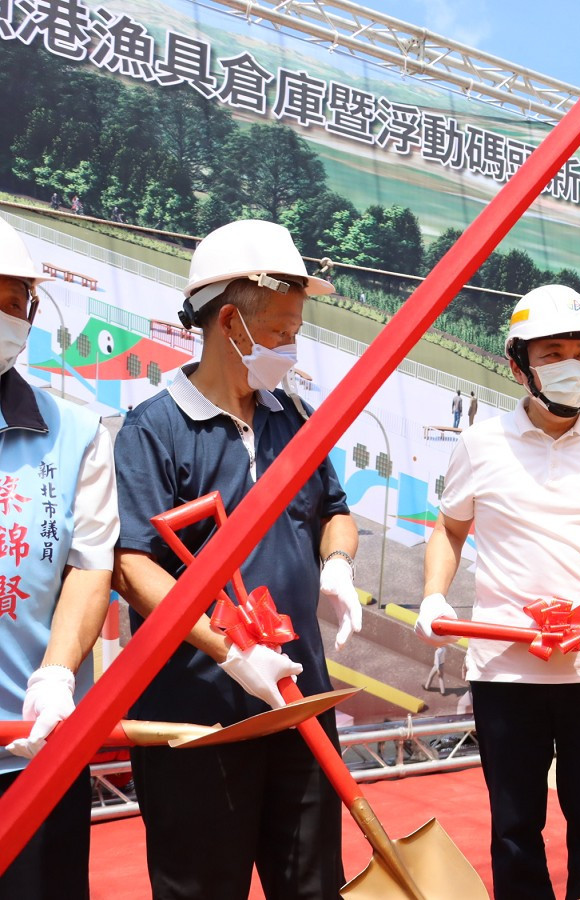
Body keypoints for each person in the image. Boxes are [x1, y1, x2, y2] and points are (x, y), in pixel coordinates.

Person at [112, 219, 362, 898]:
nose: (292, 347)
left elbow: (335, 510)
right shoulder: (152, 430)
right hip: (196, 722)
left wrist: (337, 564)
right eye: (281, 332)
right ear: (231, 322)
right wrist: (229, 652)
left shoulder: (294, 419)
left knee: (313, 886)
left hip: (299, 704)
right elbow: (134, 567)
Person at [415, 285, 580, 900]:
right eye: (553, 352)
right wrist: (434, 596)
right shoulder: (481, 444)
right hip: (507, 673)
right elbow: (450, 530)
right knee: (514, 831)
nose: (571, 365)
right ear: (519, 365)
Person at [0, 218, 118, 898]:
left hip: (33, 756)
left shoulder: (75, 433)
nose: (0, 313)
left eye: (11, 298)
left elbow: (90, 562)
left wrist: (56, 674)